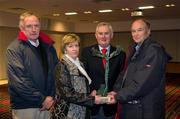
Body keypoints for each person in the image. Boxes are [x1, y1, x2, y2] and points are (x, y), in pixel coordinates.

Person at [108, 18, 171, 119]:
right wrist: (116, 90)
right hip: (133, 106)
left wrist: (118, 96)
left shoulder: (154, 51)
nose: (136, 34)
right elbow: (125, 74)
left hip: (145, 109)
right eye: (133, 31)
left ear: (148, 31)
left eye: (140, 30)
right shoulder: (135, 49)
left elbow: (142, 83)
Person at [6, 12, 58, 119]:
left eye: (36, 25)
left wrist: (51, 97)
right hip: (26, 106)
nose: (34, 29)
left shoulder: (48, 47)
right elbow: (19, 81)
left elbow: (55, 73)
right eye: (29, 26)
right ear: (21, 28)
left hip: (47, 104)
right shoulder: (14, 49)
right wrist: (42, 99)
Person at [51, 33, 102, 119]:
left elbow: (81, 86)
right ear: (65, 49)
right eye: (70, 46)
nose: (74, 49)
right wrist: (91, 99)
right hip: (67, 112)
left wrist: (90, 93)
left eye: (76, 45)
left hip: (81, 109)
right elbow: (67, 93)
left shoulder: (80, 64)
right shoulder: (62, 65)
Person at [81, 22, 126, 119]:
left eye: (106, 33)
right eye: (100, 33)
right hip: (92, 101)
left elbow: (122, 76)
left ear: (112, 35)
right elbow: (82, 75)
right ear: (96, 35)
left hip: (110, 103)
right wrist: (89, 91)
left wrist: (116, 91)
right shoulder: (87, 52)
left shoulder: (120, 54)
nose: (103, 36)